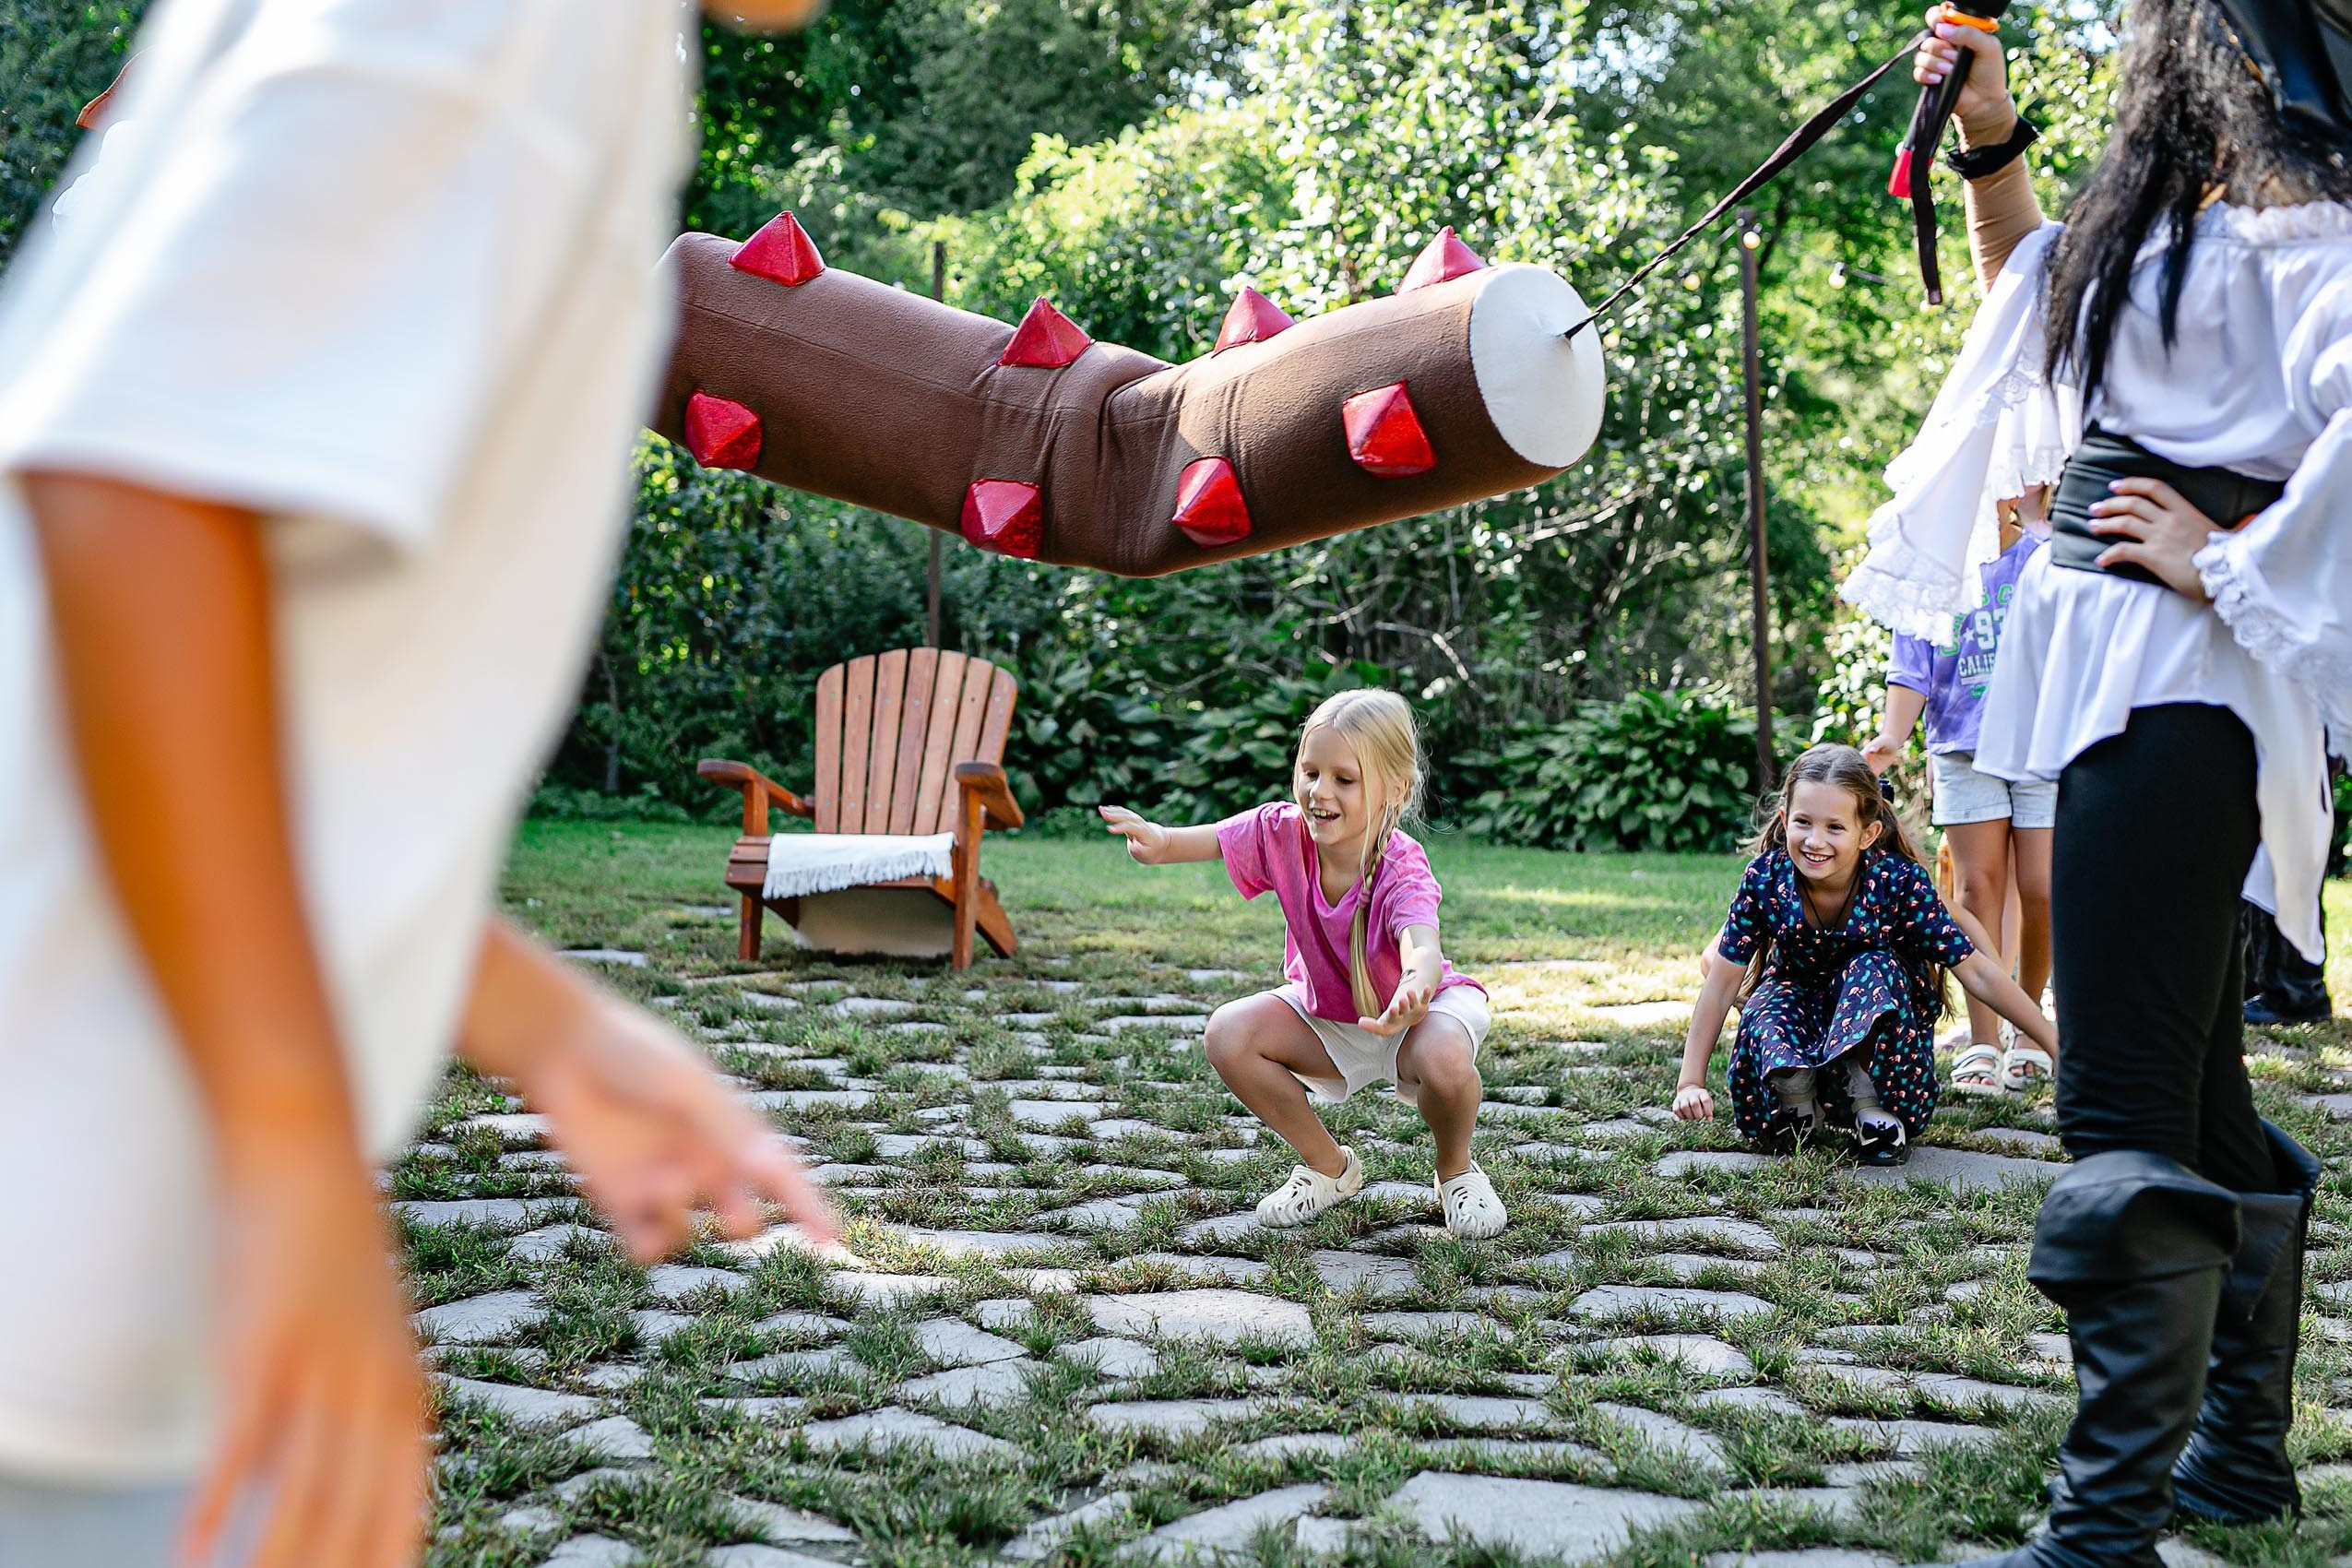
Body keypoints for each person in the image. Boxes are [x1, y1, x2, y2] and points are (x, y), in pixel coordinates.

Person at [0, 3, 837, 1567]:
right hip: (80, 1266)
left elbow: (203, 704)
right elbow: (123, 492)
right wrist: (288, 1143)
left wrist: (540, 1020)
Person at [1844, 3, 2350, 1560]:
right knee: (2190, 1092)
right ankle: (2236, 1463)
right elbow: (2039, 296)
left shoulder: (2300, 218)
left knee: (2115, 1103)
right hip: (2124, 674)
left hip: (2178, 686)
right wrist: (1987, 130)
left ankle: (2098, 1534)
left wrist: (2238, 562)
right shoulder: (2193, 223)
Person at [1098, 690, 1503, 1237]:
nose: (1320, 791)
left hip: (1416, 1017)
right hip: (1328, 1014)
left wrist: (1414, 987)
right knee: (1229, 1033)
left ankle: (1456, 1172)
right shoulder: (1281, 832)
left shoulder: (1400, 864)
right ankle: (1329, 1168)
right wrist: (1159, 839)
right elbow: (1209, 840)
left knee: (1448, 1062)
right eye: (1311, 771)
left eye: (1345, 779)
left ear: (1396, 790)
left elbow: (1422, 944)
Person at [1669, 744, 2056, 1165]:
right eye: (1803, 823)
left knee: (1874, 967)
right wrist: (1690, 1081)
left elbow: (1978, 971)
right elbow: (1722, 980)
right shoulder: (1766, 879)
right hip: (1802, 1032)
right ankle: (1795, 1100)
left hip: (1879, 1049)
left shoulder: (1896, 881)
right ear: (1784, 820)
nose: (1815, 841)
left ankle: (1874, 1112)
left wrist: (2056, 1046)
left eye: (1835, 827)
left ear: (1867, 834)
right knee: (1769, 995)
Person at [1864, 498, 2056, 1095]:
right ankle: (1982, 1038)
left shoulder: (2047, 555)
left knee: (2042, 888)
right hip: (1962, 746)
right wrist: (1893, 735)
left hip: (2042, 743)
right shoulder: (1934, 570)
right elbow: (1911, 666)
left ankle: (2028, 1026)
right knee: (1977, 889)